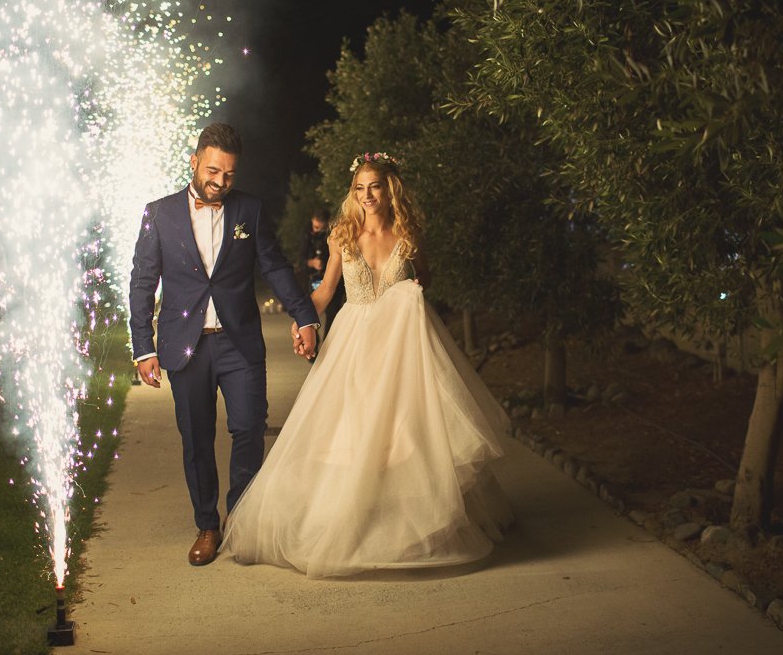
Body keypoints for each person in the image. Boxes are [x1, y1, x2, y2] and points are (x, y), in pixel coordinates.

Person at [221, 152, 513, 578]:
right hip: (354, 344)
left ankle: (406, 527)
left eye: (374, 186)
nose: (367, 195)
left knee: (403, 435)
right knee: (351, 433)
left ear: (389, 187)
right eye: (359, 188)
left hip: (400, 346)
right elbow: (326, 291)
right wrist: (304, 319)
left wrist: (404, 296)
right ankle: (353, 522)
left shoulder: (408, 234)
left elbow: (423, 279)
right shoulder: (342, 235)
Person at [128, 122, 321, 567]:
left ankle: (241, 517)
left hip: (239, 344)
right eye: (213, 171)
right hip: (184, 346)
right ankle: (207, 526)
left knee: (249, 428)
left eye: (230, 175)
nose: (220, 182)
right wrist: (144, 347)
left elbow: (273, 267)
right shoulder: (158, 213)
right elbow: (142, 283)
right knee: (196, 438)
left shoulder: (249, 210)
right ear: (195, 161)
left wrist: (304, 315)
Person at [297, 208, 344, 336]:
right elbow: (300, 259)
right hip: (312, 278)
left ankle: (328, 342)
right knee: (312, 310)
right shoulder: (306, 234)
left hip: (333, 278)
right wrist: (311, 262)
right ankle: (313, 342)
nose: (317, 231)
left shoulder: (333, 234)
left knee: (332, 313)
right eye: (315, 227)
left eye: (320, 229)